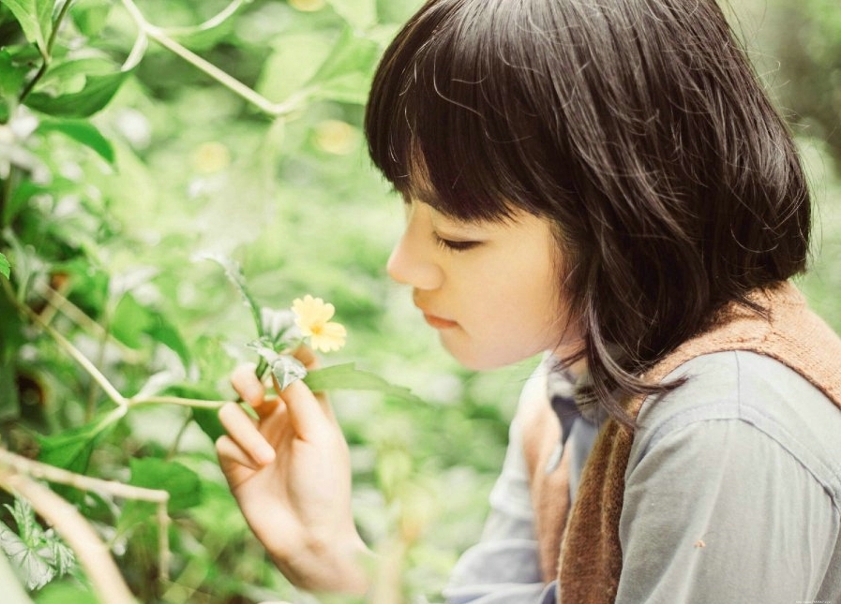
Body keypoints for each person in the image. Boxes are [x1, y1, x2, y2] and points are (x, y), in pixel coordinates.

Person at [216, 0, 841, 601]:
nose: (402, 266)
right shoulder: (572, 383)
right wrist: (332, 558)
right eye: (406, 205)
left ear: (622, 223)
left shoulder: (722, 432)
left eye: (457, 238)